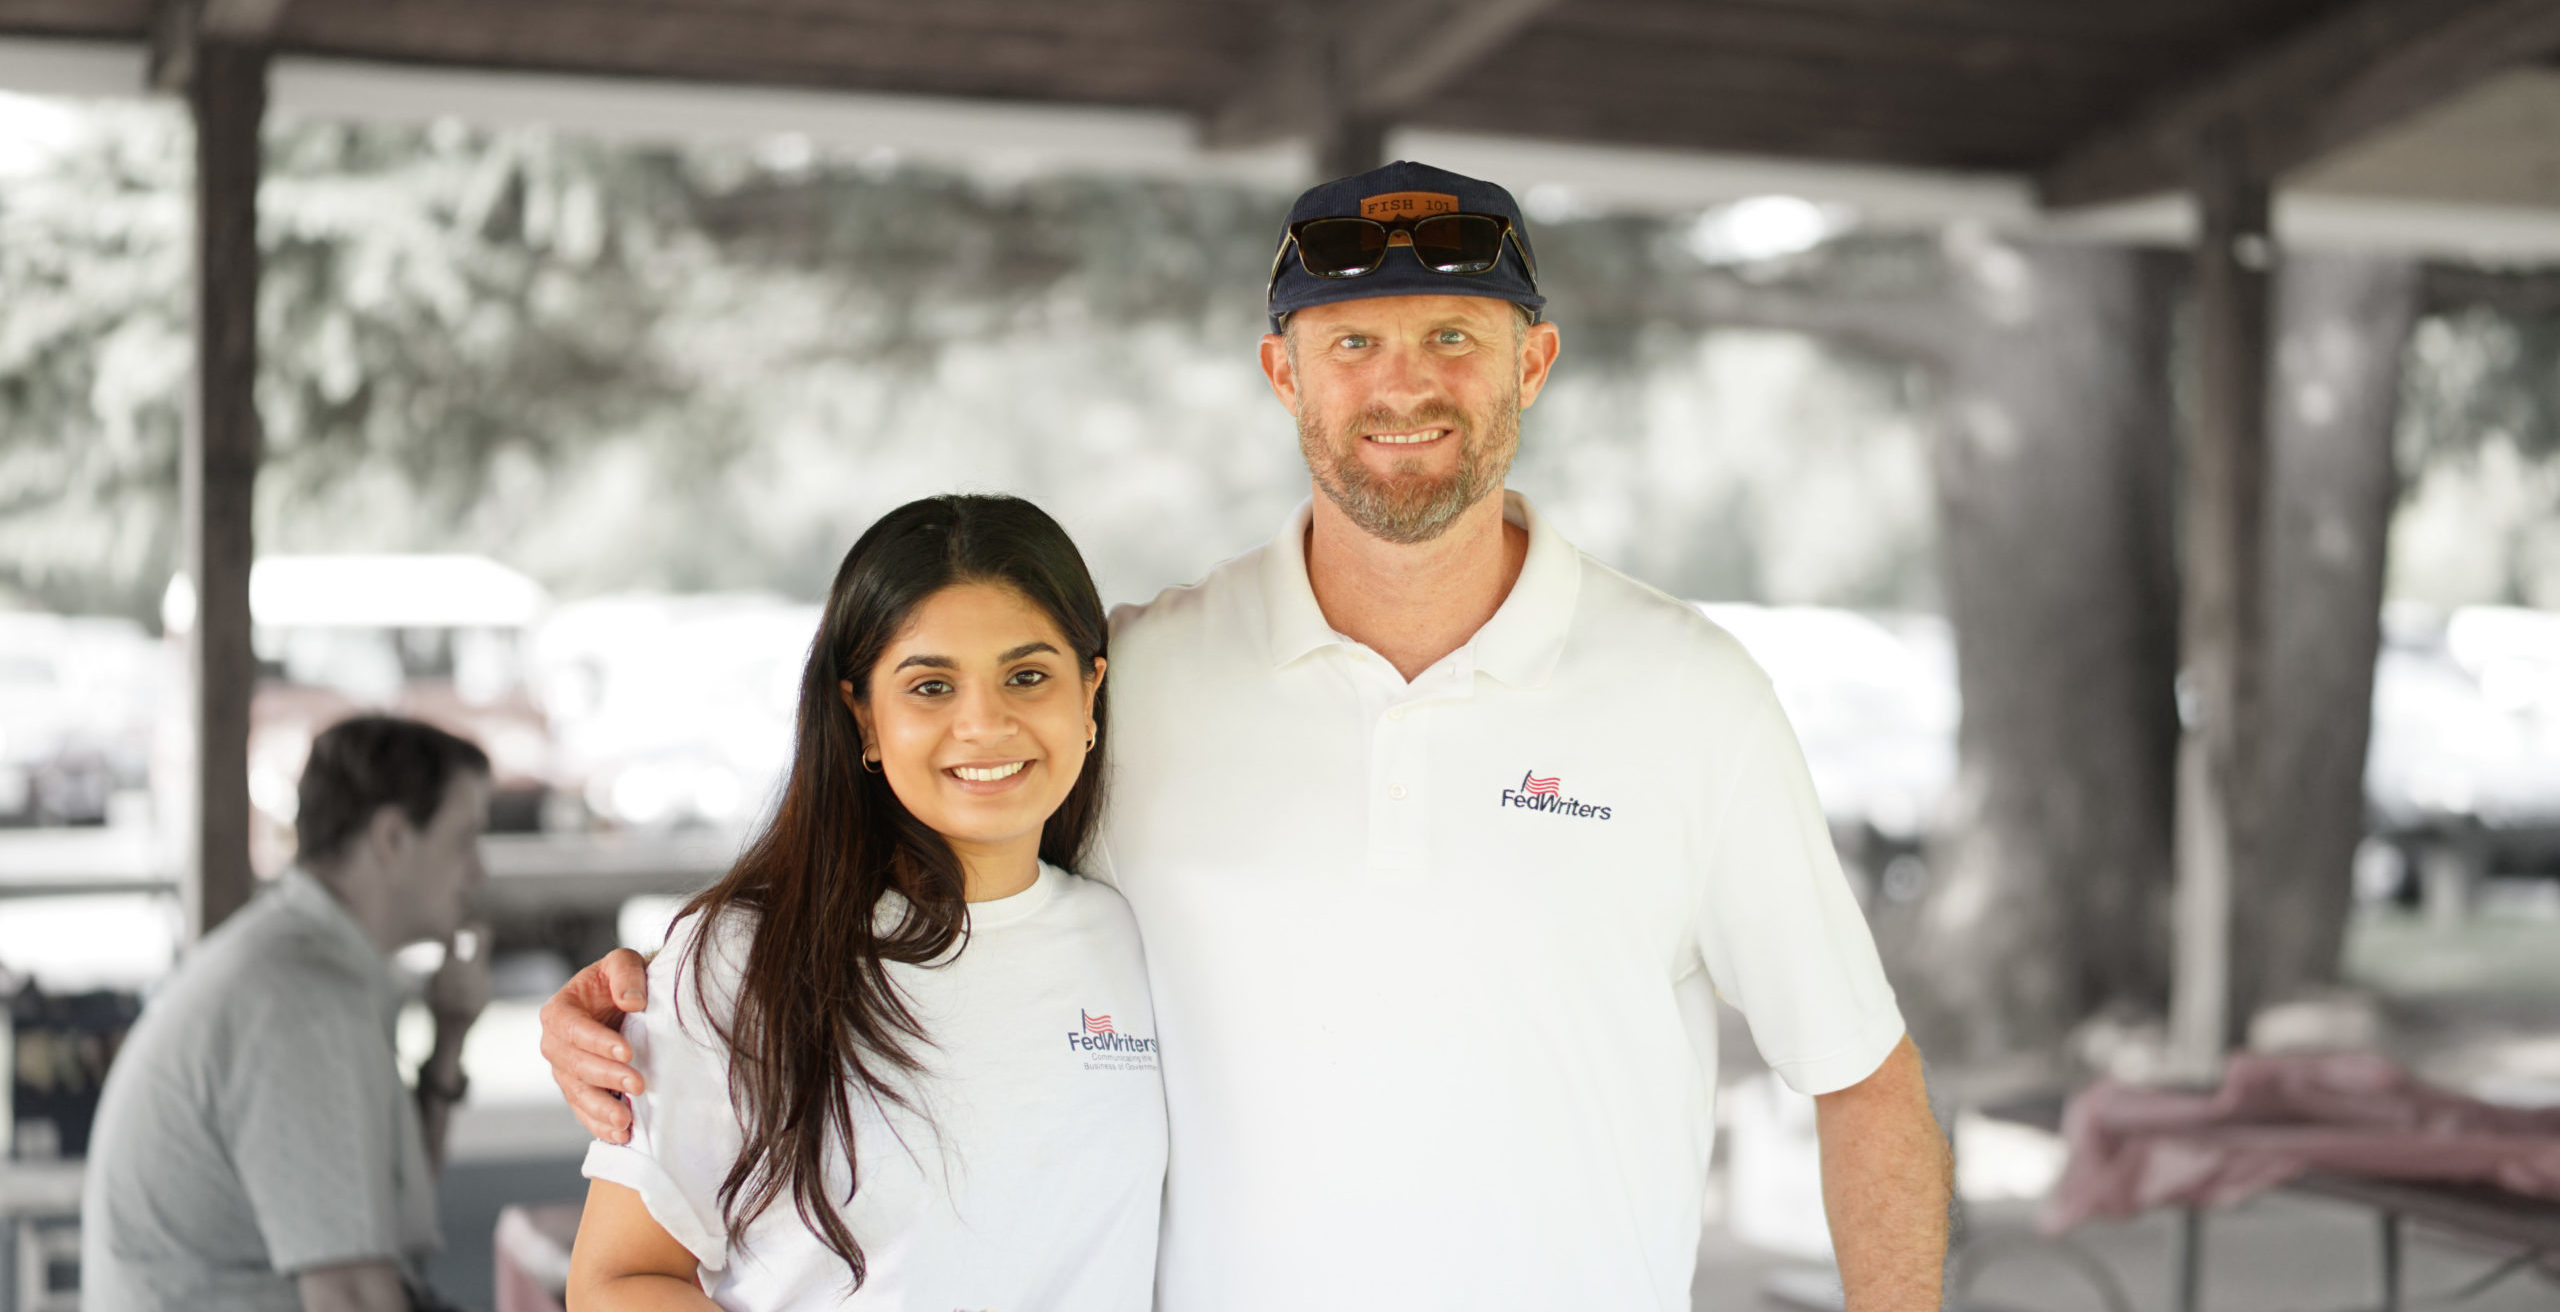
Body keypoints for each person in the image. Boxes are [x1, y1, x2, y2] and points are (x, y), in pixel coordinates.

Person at [544, 161, 1951, 1309]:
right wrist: (669, 999)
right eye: (1354, 344)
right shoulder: (1150, 676)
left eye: (1455, 335)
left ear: (1537, 360)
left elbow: (1861, 1079)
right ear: (1285, 372)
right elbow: (933, 841)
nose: (1405, 385)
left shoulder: (1692, 697)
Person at [565, 495, 1164, 1310]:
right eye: (930, 687)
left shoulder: (1136, 937)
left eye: (1027, 676)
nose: (984, 724)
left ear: (1090, 693)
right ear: (863, 717)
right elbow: (618, 1279)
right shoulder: (744, 959)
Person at [82, 715, 494, 1312]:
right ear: (392, 839)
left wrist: (449, 1040)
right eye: (464, 839)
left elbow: (369, 1209)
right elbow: (348, 1295)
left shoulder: (310, 963)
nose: (479, 870)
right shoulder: (300, 1002)